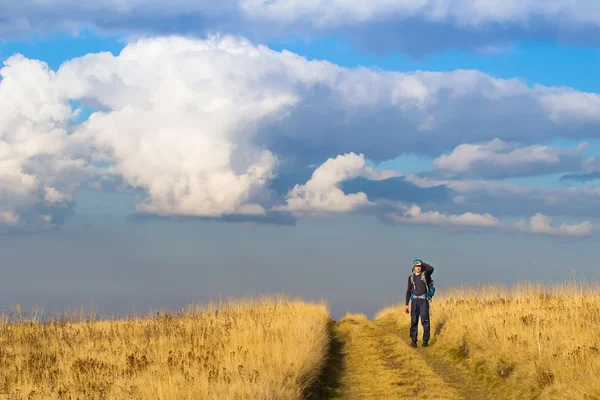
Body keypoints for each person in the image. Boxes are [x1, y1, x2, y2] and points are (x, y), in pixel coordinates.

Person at [404, 259, 434, 348]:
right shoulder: (411, 278)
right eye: (416, 266)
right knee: (414, 321)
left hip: (423, 301)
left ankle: (425, 341)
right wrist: (406, 304)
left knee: (425, 320)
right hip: (414, 301)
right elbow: (408, 291)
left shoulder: (425, 275)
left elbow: (431, 268)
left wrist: (422, 263)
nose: (418, 268)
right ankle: (413, 341)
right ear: (414, 267)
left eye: (419, 266)